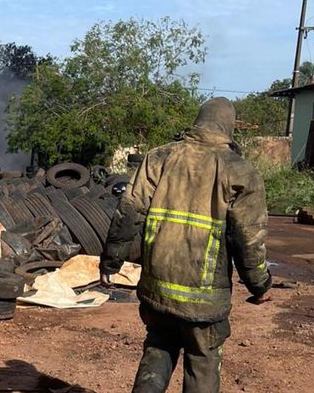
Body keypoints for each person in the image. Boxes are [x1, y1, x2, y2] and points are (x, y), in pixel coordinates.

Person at [99, 97, 272, 393]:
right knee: (202, 364)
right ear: (229, 128)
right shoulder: (240, 170)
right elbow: (249, 238)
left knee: (157, 351)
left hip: (157, 291)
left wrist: (110, 261)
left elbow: (128, 213)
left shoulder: (159, 157)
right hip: (204, 301)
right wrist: (260, 285)